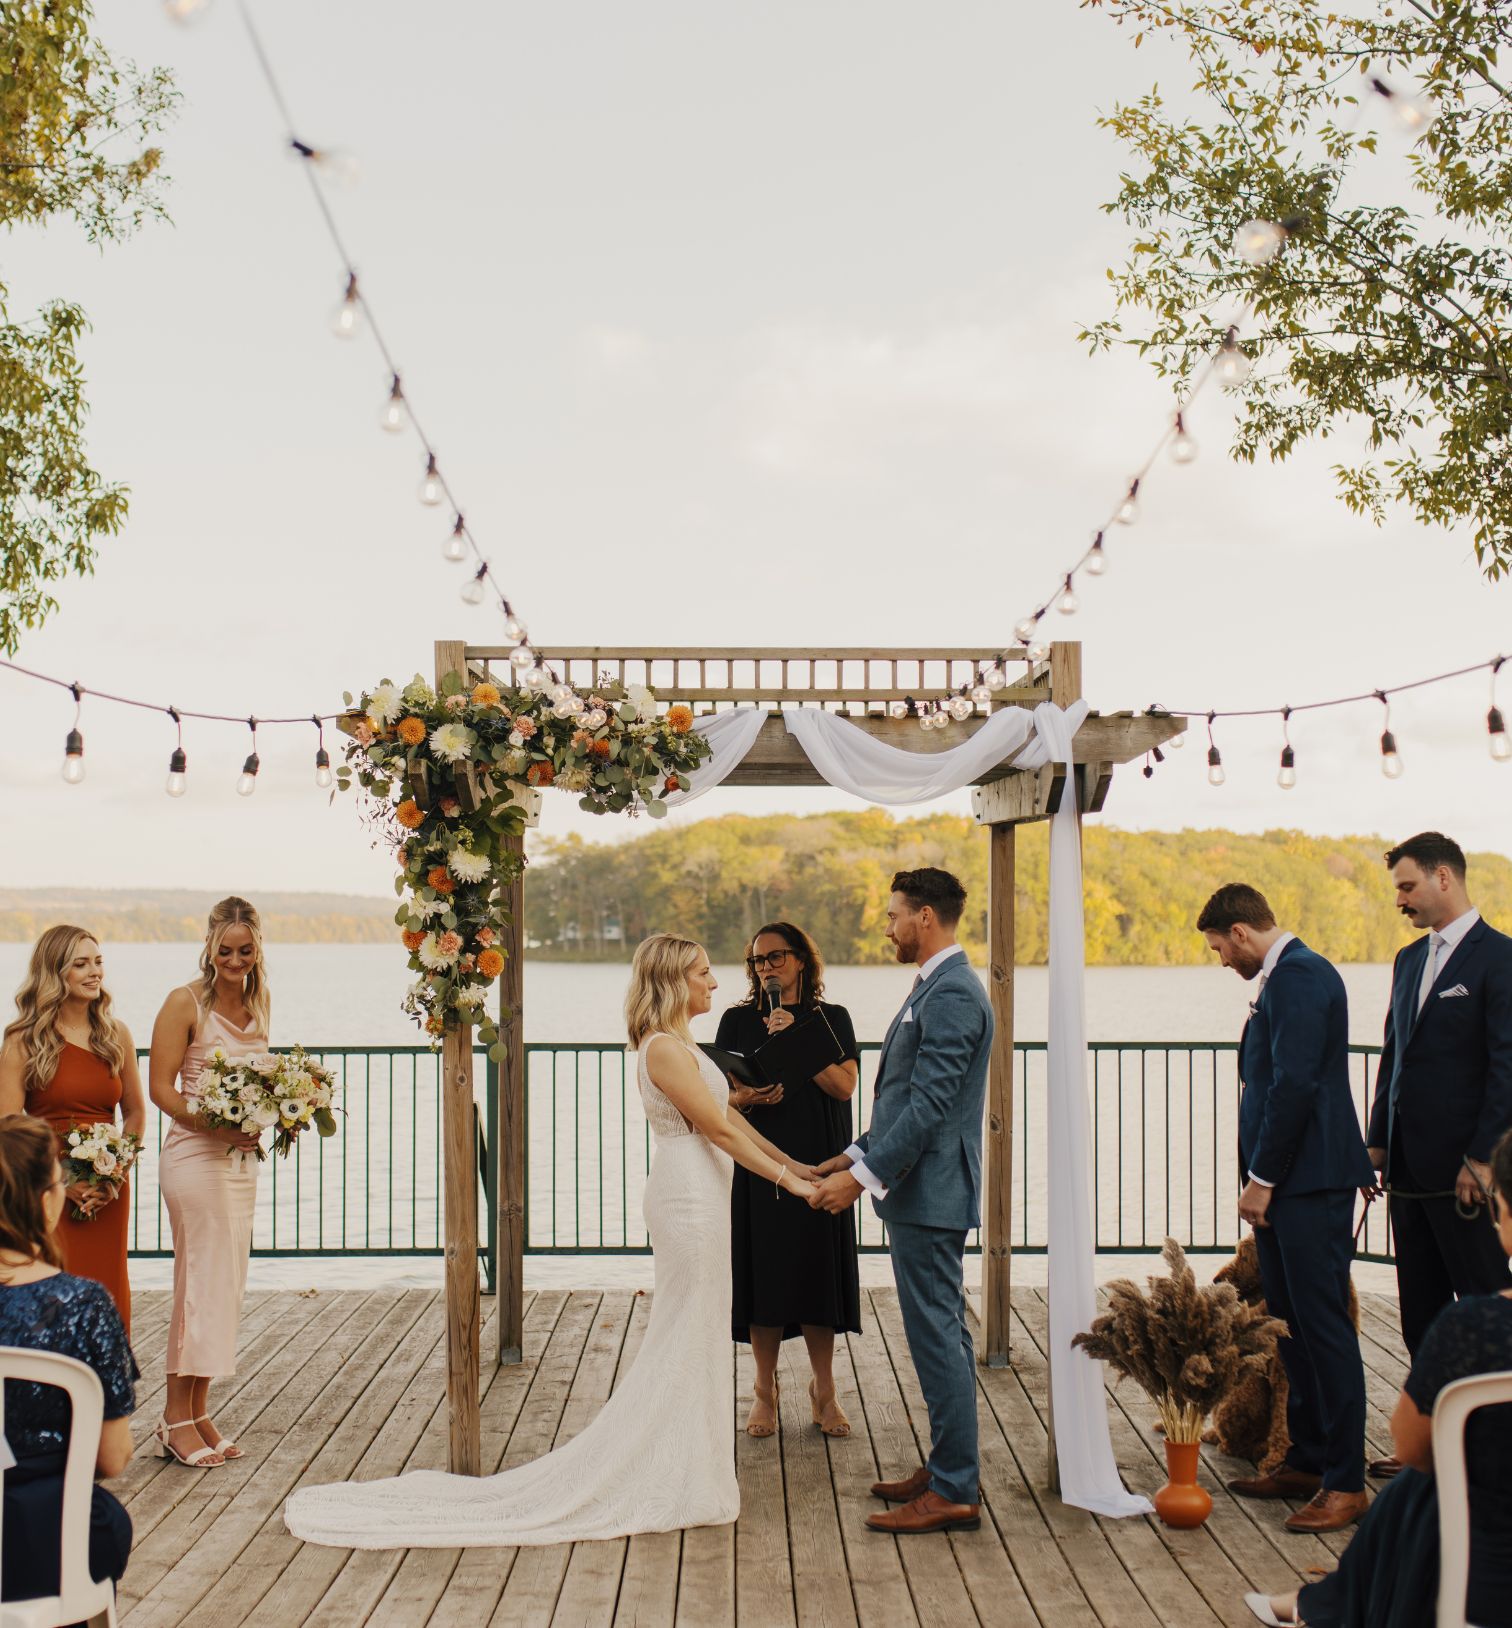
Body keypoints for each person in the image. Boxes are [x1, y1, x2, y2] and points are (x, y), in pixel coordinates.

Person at [283, 933, 818, 1548]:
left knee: (696, 1330)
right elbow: (720, 1130)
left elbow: (728, 1121)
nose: (715, 983)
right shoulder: (665, 1049)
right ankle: (671, 1465)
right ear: (673, 980)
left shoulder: (682, 1044)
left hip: (704, 1193)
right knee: (685, 1329)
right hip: (688, 1201)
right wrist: (792, 1185)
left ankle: (691, 1461)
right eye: (703, 972)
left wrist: (800, 1168)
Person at [1245, 1124, 1512, 1628]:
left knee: (1417, 1489)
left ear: (1504, 1213)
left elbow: (1411, 1446)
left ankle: (1320, 1604)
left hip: (1486, 1589)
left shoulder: (1474, 1327)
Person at [809, 867, 992, 1537]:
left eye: (893, 916)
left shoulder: (953, 995)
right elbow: (905, 1098)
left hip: (931, 1192)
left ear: (925, 918)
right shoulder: (937, 987)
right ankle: (949, 1467)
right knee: (934, 1332)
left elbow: (932, 1106)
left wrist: (861, 1179)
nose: (886, 927)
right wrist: (854, 1154)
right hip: (917, 1187)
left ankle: (954, 1490)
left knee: (938, 1335)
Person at [1198, 883, 1373, 1534]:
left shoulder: (1300, 977)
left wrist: (1262, 1179)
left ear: (1241, 933)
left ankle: (1345, 1482)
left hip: (1307, 1182)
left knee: (1324, 1328)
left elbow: (1295, 1084)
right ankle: (1306, 1456)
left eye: (1219, 947)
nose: (1220, 960)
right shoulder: (1286, 977)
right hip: (1289, 1184)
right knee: (1288, 1327)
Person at [1366, 832, 1512, 1481]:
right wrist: (1375, 1140)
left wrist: (1481, 1160)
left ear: (1444, 878)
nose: (1400, 900)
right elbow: (1393, 1056)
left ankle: (1489, 1450)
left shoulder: (1499, 960)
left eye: (1407, 886)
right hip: (1407, 1173)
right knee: (1418, 1311)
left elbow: (1507, 1068)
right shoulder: (1405, 960)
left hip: (1468, 1179)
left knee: (1484, 1304)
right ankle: (1429, 1451)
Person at [717, 922, 861, 1439]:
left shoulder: (831, 1018)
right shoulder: (736, 1021)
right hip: (759, 1162)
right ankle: (763, 1390)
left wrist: (795, 1040)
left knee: (817, 1273)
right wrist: (750, 1098)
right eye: (758, 961)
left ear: (801, 960)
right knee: (766, 1277)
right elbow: (721, 1096)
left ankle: (824, 1390)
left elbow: (844, 1088)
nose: (767, 968)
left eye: (776, 958)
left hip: (821, 1162)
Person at [148, 896, 268, 1470]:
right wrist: (215, 1123)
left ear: (258, 948)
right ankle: (174, 1419)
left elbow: (262, 1081)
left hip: (238, 1165)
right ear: (210, 945)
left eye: (246, 951)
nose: (235, 960)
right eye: (226, 950)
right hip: (194, 1156)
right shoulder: (184, 1001)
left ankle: (199, 1412)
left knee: (224, 1287)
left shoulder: (259, 1000)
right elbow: (162, 1090)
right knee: (199, 1282)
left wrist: (271, 1115)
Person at [0, 1115, 136, 1616]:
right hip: (45, 1536)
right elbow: (112, 1458)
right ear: (44, 1200)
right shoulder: (80, 1304)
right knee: (98, 1527)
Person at [0, 926, 146, 1336]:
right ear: (54, 973)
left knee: (109, 1285)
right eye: (80, 964)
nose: (94, 972)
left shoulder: (116, 1035)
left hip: (109, 1191)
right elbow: (8, 1129)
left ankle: (104, 1392)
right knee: (55, 1295)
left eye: (98, 962)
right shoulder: (22, 1040)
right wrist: (62, 1182)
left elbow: (134, 1112)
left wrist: (115, 1171)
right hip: (46, 1191)